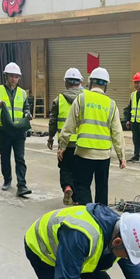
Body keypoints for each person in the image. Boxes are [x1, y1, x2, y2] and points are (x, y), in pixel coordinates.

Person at [58, 67, 126, 206]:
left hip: (84, 153)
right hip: (103, 155)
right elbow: (117, 133)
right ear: (105, 85)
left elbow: (68, 127)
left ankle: (86, 215)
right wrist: (121, 156)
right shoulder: (111, 104)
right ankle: (100, 216)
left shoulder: (81, 99)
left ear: (90, 83)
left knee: (82, 186)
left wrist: (62, 147)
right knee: (102, 188)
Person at [0, 62, 32, 197]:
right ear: (6, 76)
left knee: (20, 158)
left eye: (16, 77)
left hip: (19, 131)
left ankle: (22, 185)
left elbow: (26, 107)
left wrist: (27, 114)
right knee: (5, 157)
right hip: (4, 130)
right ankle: (7, 179)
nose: (14, 79)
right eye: (12, 76)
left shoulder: (22, 93)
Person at [47, 68, 84, 205]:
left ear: (66, 83)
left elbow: (53, 121)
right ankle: (77, 199)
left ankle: (67, 187)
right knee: (79, 172)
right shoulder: (85, 98)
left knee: (65, 169)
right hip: (82, 143)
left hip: (65, 143)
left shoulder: (59, 99)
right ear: (80, 82)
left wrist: (50, 138)